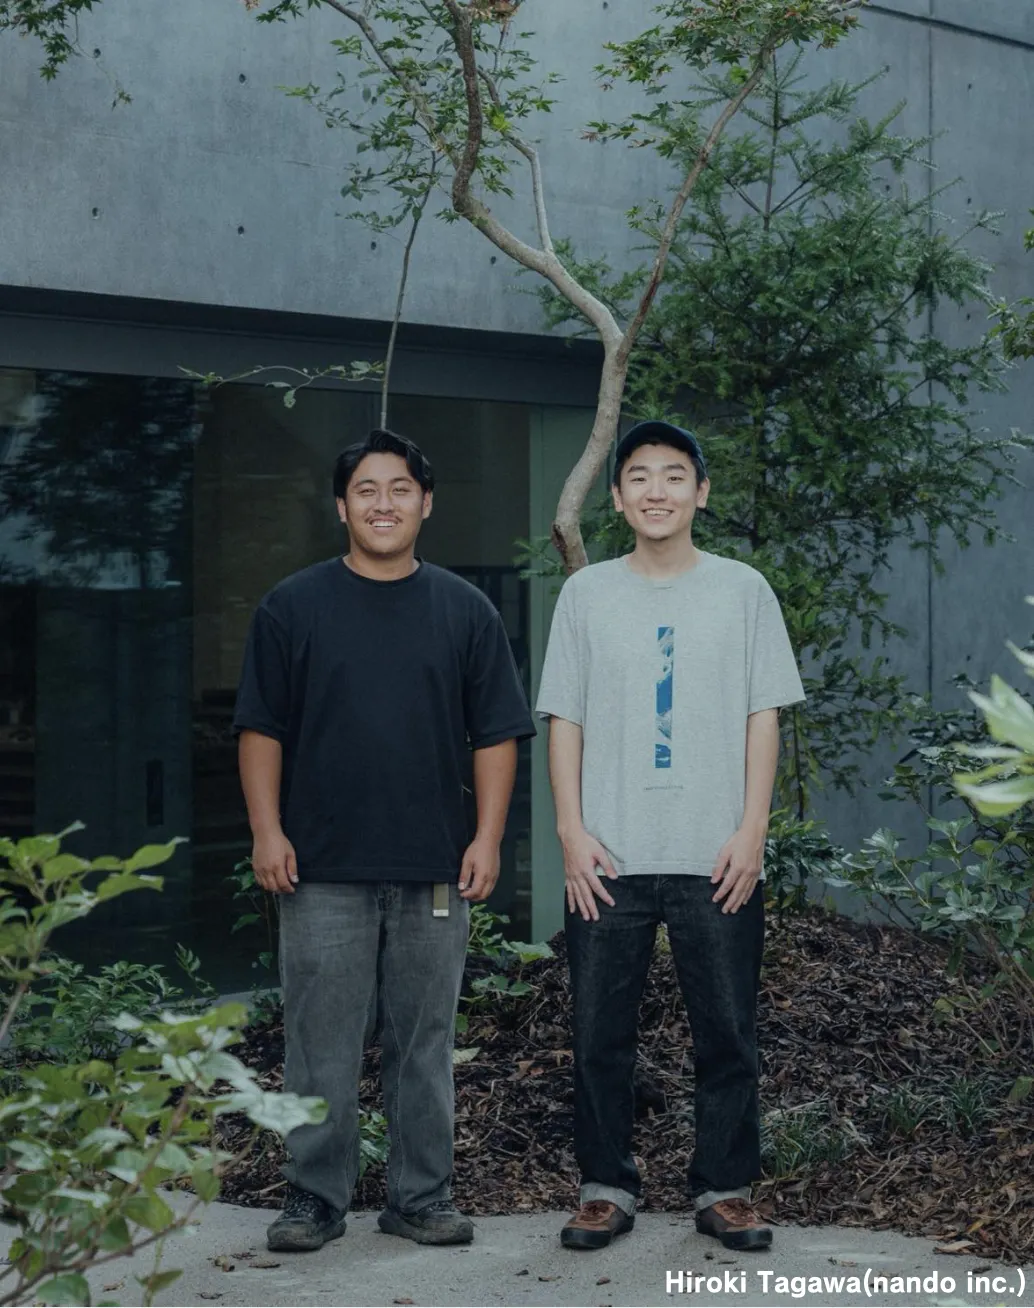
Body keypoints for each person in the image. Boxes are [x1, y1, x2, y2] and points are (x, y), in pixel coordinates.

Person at [234, 428, 535, 1254]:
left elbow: (496, 735)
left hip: (433, 865)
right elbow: (260, 729)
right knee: (319, 1044)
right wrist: (267, 829)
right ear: (341, 507)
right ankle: (313, 1198)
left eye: (400, 489)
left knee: (424, 1043)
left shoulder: (464, 611)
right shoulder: (292, 607)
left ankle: (421, 1197)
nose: (383, 504)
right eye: (366, 490)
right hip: (320, 867)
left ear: (426, 503)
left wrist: (488, 838)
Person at [536, 420, 804, 1254]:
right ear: (617, 499)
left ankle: (725, 1189)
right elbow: (564, 719)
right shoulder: (587, 595)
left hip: (716, 853)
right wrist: (570, 832)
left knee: (726, 1033)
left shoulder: (743, 590)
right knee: (598, 1036)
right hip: (607, 857)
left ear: (701, 492)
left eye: (675, 475)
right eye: (641, 477)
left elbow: (764, 716)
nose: (658, 490)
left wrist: (753, 830)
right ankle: (604, 1188)